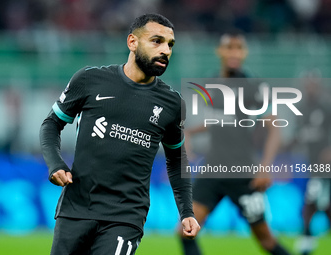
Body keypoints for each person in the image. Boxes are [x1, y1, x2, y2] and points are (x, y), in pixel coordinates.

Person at [40, 13, 200, 255]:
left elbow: (177, 159)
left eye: (170, 44)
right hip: (76, 208)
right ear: (132, 42)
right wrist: (55, 164)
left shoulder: (172, 104)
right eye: (156, 41)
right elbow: (51, 124)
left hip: (126, 216)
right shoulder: (90, 80)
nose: (165, 50)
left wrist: (186, 212)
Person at [178, 32, 291, 255]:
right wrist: (189, 132)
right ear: (220, 52)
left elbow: (274, 126)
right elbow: (224, 121)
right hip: (214, 169)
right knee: (186, 232)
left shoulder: (252, 85)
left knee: (266, 240)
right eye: (229, 47)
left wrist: (265, 166)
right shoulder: (212, 82)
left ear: (244, 53)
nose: (234, 52)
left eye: (239, 48)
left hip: (244, 173)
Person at [292, 70, 331, 255]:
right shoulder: (302, 109)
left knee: (312, 198)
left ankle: (306, 236)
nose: (310, 87)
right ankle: (308, 235)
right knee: (322, 202)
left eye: (313, 84)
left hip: (325, 163)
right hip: (311, 162)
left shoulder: (325, 107)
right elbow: (300, 135)